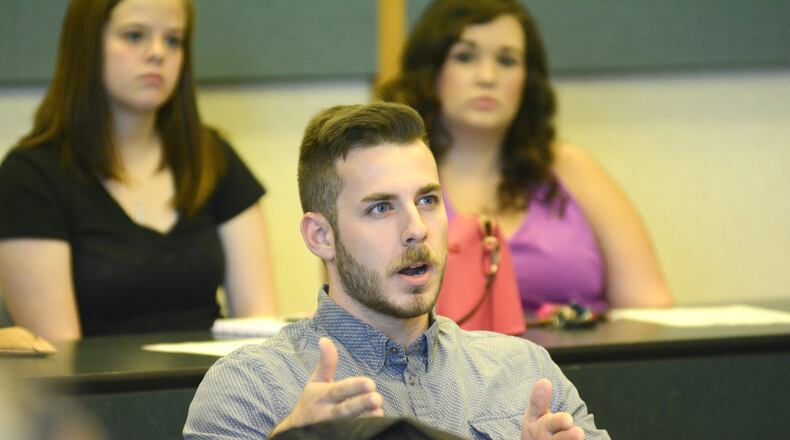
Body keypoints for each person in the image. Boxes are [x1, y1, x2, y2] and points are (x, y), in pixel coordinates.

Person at [184, 102, 609, 439]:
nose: (416, 229)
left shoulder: (524, 372)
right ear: (320, 236)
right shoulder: (251, 388)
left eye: (428, 200)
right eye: (381, 208)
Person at [0, 0, 277, 340]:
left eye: (173, 40)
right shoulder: (28, 178)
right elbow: (59, 356)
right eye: (134, 36)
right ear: (86, 45)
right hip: (94, 376)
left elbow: (258, 323)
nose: (158, 53)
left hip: (216, 374)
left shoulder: (214, 157)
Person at [378, 0, 672, 313]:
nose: (488, 76)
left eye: (507, 60)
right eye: (465, 57)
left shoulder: (571, 167)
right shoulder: (390, 174)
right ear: (430, 71)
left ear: (527, 79)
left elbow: (650, 306)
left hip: (580, 346)